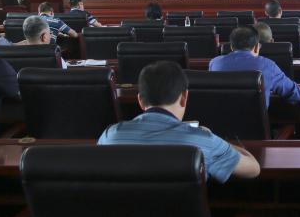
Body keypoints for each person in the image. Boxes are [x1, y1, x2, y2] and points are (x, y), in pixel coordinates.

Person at [98, 61, 260, 182]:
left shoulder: (110, 136)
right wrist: (218, 140)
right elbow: (253, 169)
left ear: (140, 100)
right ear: (184, 97)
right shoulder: (202, 141)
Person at [209, 26, 300, 107]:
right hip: (255, 122)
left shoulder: (215, 63)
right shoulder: (268, 65)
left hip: (219, 122)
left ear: (231, 47)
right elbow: (296, 94)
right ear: (257, 47)